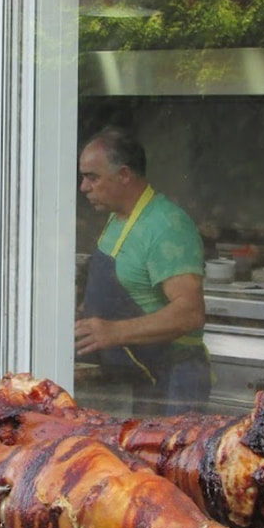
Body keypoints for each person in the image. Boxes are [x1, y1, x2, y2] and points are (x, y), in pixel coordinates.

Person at [74, 126, 211, 415]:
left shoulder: (166, 226)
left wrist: (113, 331)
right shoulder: (117, 218)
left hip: (171, 382)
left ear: (124, 175)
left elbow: (190, 312)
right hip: (129, 380)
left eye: (92, 177)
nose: (84, 187)